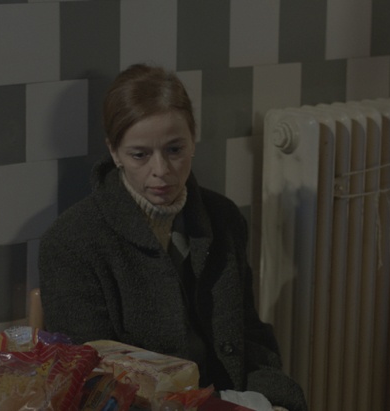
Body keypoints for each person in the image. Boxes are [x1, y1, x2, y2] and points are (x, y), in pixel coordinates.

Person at [39, 64, 307, 411]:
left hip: (229, 397)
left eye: (175, 150)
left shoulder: (223, 218)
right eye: (140, 155)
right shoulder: (71, 242)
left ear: (193, 139)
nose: (161, 171)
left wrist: (274, 399)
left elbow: (248, 336)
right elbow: (92, 385)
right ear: (114, 152)